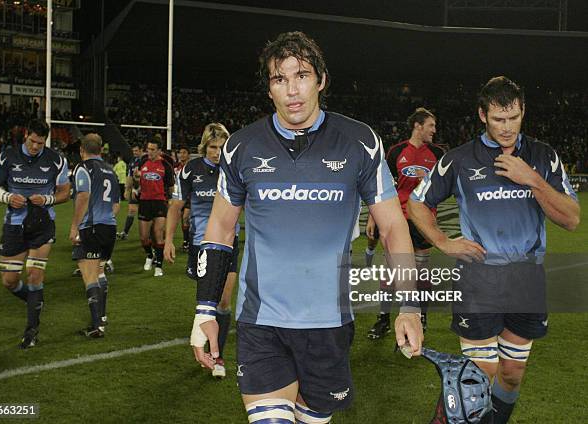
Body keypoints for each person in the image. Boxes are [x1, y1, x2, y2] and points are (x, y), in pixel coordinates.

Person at [191, 31, 423, 423]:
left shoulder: (360, 142)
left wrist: (409, 305)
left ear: (321, 80)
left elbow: (393, 229)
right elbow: (219, 231)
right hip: (261, 322)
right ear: (269, 89)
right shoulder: (241, 147)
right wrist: (204, 310)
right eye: (279, 79)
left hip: (328, 324)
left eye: (301, 75)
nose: (292, 90)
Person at [408, 76, 580, 424]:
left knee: (512, 374)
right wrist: (443, 242)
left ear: (523, 112)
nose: (507, 127)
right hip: (479, 277)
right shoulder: (458, 159)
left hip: (526, 277)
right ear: (482, 115)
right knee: (479, 374)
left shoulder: (543, 156)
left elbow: (572, 219)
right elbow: (416, 203)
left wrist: (531, 178)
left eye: (513, 117)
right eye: (498, 119)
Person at [0, 119, 70, 348]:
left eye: (40, 143)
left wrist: (47, 199)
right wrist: (7, 197)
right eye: (33, 141)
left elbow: (65, 192)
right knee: (9, 281)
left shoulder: (56, 160)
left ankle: (31, 330)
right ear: (26, 135)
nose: (35, 147)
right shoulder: (7, 156)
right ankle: (35, 301)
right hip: (14, 225)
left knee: (34, 275)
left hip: (43, 225)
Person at [164, 124, 239, 378]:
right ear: (204, 147)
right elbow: (175, 206)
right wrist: (168, 240)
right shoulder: (190, 170)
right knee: (208, 302)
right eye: (213, 147)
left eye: (222, 147)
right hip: (201, 245)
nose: (218, 152)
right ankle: (204, 341)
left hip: (230, 242)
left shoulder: (234, 170)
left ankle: (218, 358)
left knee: (225, 301)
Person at [366, 107, 445, 339]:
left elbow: (445, 186)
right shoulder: (396, 152)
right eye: (431, 125)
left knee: (421, 274)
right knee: (392, 273)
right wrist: (373, 215)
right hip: (398, 219)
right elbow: (382, 187)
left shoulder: (438, 154)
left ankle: (421, 317)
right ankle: (383, 320)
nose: (434, 130)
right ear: (418, 126)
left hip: (424, 221)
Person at [70, 134, 120, 338]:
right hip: (109, 227)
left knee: (89, 276)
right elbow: (116, 204)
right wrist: (105, 217)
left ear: (82, 150)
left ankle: (96, 326)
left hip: (91, 227)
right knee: (100, 272)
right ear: (100, 149)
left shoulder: (83, 168)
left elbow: (83, 195)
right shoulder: (111, 170)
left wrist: (75, 226)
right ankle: (102, 316)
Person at [137, 138, 174, 276]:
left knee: (158, 234)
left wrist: (171, 202)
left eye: (153, 149)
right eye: (148, 149)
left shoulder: (166, 165)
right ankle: (149, 255)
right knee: (144, 238)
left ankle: (159, 265)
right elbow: (138, 179)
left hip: (159, 202)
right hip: (144, 202)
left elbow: (170, 187)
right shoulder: (142, 162)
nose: (150, 152)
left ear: (159, 151)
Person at [117, 145, 142, 240]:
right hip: (135, 190)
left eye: (136, 150)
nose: (135, 152)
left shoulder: (144, 161)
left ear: (141, 150)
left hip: (145, 191)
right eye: (133, 151)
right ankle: (125, 233)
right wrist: (127, 189)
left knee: (145, 214)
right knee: (131, 210)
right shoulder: (132, 161)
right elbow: (130, 176)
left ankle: (150, 235)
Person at [175, 145, 192, 251]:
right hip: (179, 196)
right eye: (180, 152)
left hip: (190, 196)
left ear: (188, 155)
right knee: (182, 220)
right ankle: (186, 241)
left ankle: (188, 241)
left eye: (184, 152)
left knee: (186, 217)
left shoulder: (192, 167)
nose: (182, 155)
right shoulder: (176, 167)